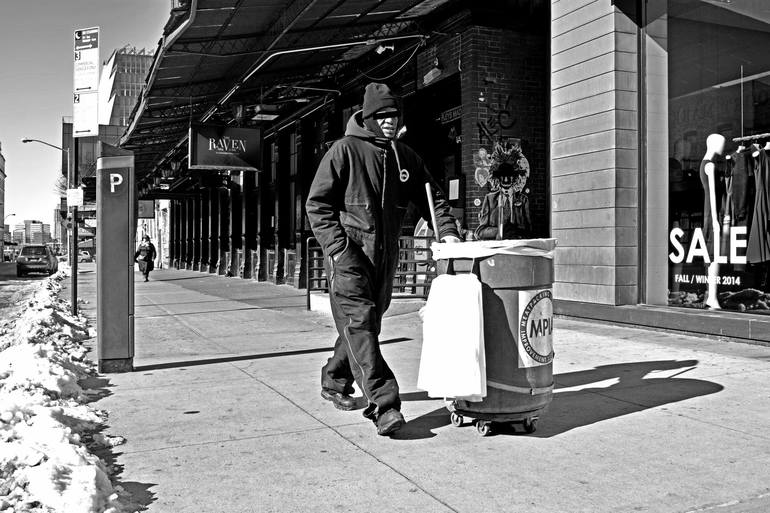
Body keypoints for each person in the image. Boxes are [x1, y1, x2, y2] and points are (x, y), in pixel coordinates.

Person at [306, 83, 461, 436]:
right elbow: (317, 206)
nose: (390, 121)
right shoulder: (343, 151)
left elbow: (432, 198)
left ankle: (334, 378)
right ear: (369, 117)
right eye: (382, 116)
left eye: (394, 115)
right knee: (360, 322)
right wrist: (340, 249)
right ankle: (384, 404)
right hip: (349, 258)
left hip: (384, 259)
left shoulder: (405, 157)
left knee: (366, 324)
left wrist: (447, 230)